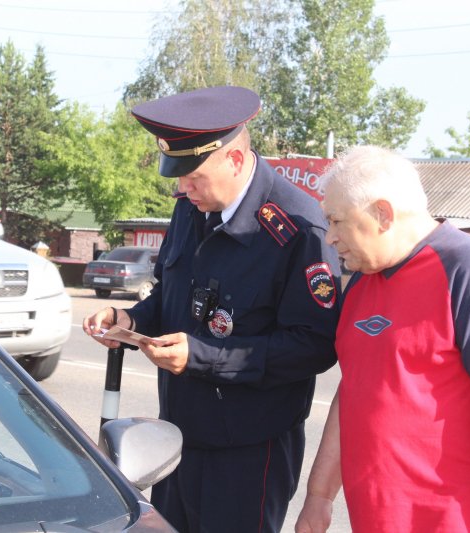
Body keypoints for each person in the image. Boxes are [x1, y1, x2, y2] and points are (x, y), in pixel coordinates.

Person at [82, 86, 341, 532]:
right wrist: (131, 321)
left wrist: (202, 357)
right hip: (178, 438)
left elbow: (313, 347)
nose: (183, 189)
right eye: (179, 178)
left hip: (248, 451)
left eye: (193, 177)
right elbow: (171, 294)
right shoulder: (191, 209)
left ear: (235, 160)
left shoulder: (297, 229)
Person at [294, 146, 470, 533]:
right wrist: (319, 496)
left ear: (383, 214)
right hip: (374, 517)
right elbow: (355, 390)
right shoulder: (361, 282)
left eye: (337, 221)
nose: (329, 237)